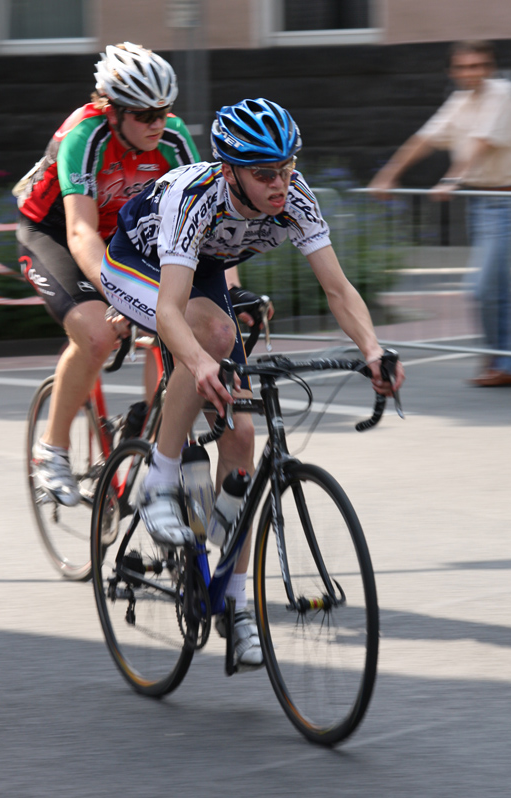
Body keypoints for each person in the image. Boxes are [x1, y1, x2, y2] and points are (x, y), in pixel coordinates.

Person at [101, 97, 405, 669]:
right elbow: (169, 311)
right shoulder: (197, 197)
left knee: (241, 435)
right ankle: (159, 481)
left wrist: (372, 349)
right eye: (265, 174)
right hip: (134, 265)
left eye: (288, 169)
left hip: (201, 269)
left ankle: (237, 605)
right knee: (211, 338)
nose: (280, 185)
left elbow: (337, 290)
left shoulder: (296, 199)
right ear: (229, 170)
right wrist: (199, 360)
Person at [14, 42, 200, 506]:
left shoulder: (174, 138)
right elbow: (80, 232)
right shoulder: (85, 135)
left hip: (122, 233)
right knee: (96, 334)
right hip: (55, 232)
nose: (157, 123)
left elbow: (198, 228)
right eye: (143, 114)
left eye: (164, 110)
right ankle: (51, 452)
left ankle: (153, 436)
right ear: (111, 110)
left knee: (173, 323)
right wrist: (122, 298)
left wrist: (228, 292)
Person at [369, 40, 511, 387]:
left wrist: (451, 179)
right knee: (496, 285)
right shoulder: (460, 100)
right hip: (481, 201)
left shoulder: (503, 94)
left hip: (508, 200)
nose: (472, 73)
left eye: (479, 66)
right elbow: (425, 138)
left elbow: (481, 142)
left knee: (483, 286)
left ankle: (504, 360)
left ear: (490, 67)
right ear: (453, 71)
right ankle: (506, 364)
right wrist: (389, 174)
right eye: (464, 67)